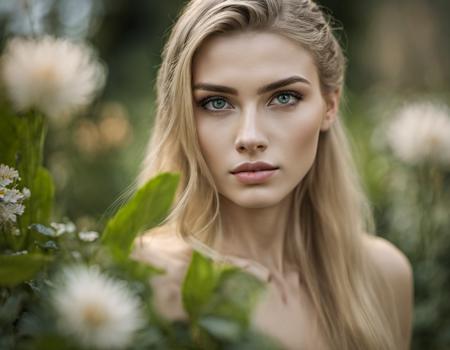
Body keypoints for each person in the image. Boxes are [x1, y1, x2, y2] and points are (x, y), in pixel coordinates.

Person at [132, 0, 414, 349]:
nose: (250, 137)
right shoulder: (148, 276)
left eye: (283, 97)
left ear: (329, 105)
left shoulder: (384, 277)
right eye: (216, 102)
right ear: (183, 116)